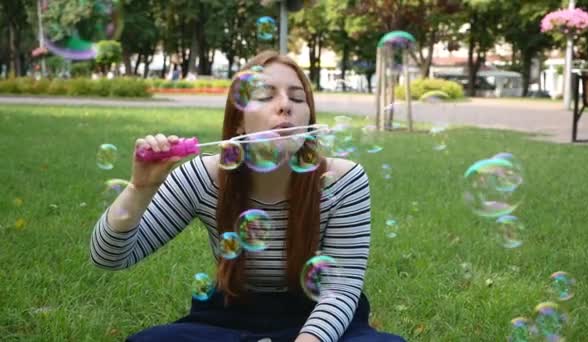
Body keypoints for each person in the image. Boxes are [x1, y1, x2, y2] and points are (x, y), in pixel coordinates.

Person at [90, 50, 406, 342]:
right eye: (266, 96)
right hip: (230, 316)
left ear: (309, 117)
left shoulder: (344, 179)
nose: (286, 105)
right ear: (239, 118)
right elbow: (110, 257)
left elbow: (340, 289)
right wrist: (139, 189)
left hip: (319, 316)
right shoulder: (203, 176)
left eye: (297, 97)